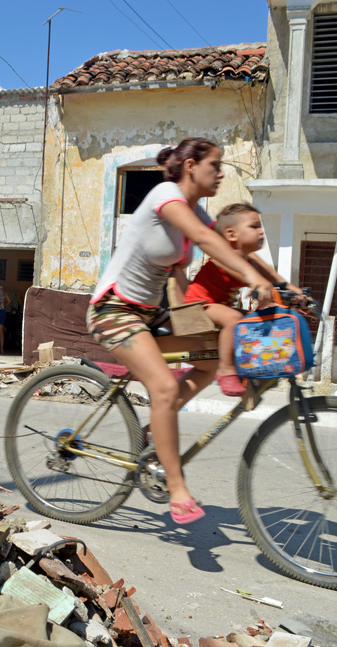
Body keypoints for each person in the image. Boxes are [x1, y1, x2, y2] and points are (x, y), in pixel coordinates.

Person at [86, 138, 274, 525]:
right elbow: (207, 240)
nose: (220, 173)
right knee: (166, 388)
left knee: (207, 363)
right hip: (113, 310)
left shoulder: (195, 210)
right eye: (215, 165)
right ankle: (177, 490)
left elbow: (230, 247)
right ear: (191, 166)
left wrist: (278, 284)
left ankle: (158, 423)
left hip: (152, 312)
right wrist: (253, 279)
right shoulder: (166, 195)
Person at [185, 203, 296, 397]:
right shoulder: (225, 257)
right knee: (234, 319)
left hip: (218, 306)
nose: (261, 231)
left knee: (257, 319)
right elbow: (249, 276)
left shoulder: (249, 258)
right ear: (231, 235)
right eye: (254, 227)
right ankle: (226, 371)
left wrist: (297, 292)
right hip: (197, 305)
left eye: (260, 226)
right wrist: (260, 286)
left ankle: (255, 368)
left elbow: (271, 275)